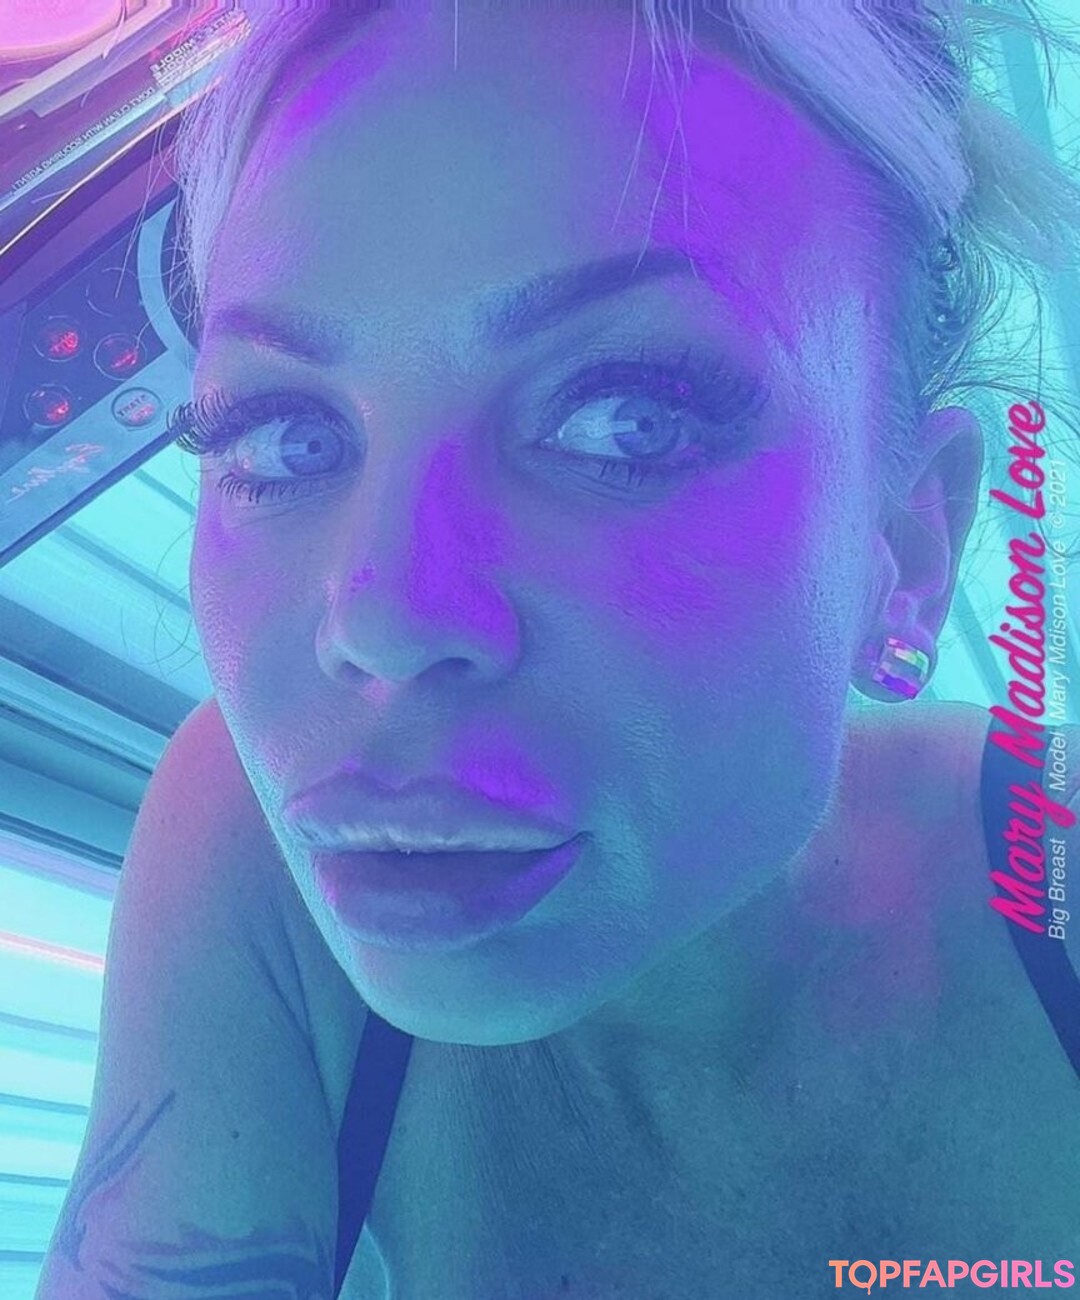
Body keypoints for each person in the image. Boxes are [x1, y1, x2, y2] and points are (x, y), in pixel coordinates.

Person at [35, 3, 1080, 1297]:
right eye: (282, 434)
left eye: (626, 420)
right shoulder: (239, 836)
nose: (386, 621)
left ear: (907, 548)